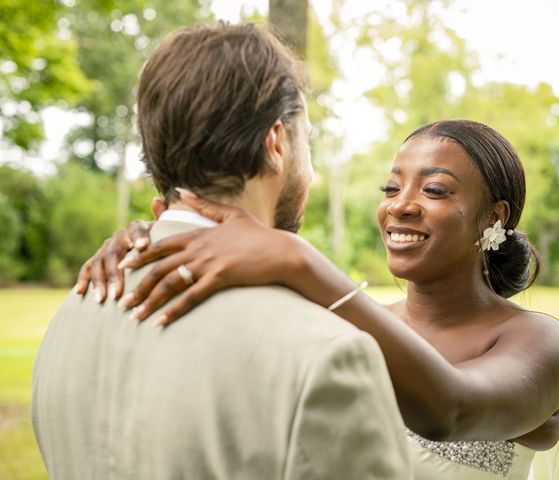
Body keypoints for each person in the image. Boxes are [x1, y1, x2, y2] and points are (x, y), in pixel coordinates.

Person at [80, 119, 559, 479]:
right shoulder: (345, 328)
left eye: (435, 190)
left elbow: (452, 410)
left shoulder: (537, 341)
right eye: (392, 186)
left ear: (493, 217)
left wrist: (298, 259)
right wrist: (158, 240)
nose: (400, 205)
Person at [32, 23, 414, 479]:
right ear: (276, 144)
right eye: (305, 140)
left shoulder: (75, 310)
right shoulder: (327, 354)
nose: (310, 174)